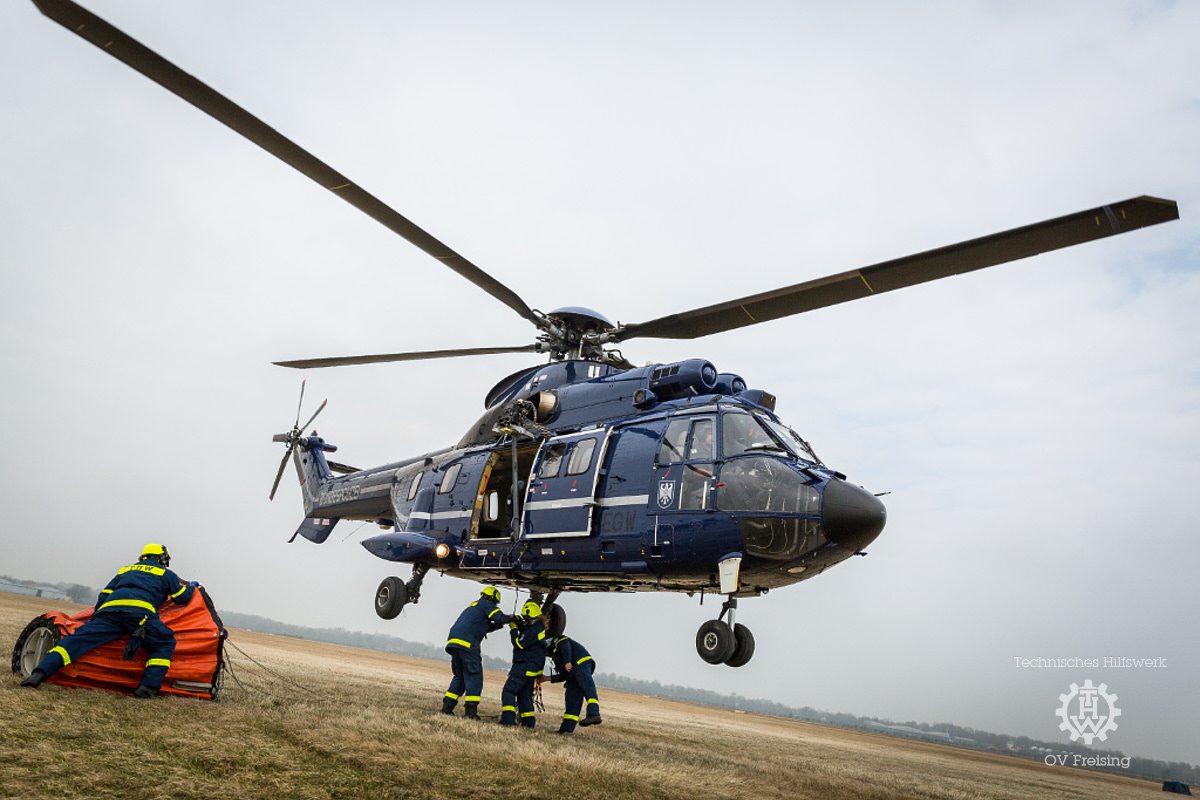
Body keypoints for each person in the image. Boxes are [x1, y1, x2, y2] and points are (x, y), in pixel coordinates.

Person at [21, 543, 195, 698]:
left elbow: (104, 594)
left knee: (76, 641)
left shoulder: (125, 570)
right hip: (140, 615)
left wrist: (97, 617)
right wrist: (191, 587)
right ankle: (148, 688)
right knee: (164, 642)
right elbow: (182, 598)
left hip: (110, 612)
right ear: (162, 558)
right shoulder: (166, 573)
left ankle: (39, 673)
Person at [442, 586, 512, 718]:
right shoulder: (487, 604)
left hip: (454, 643)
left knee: (460, 676)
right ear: (493, 598)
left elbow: (482, 626)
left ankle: (447, 707)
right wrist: (511, 618)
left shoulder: (474, 606)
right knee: (474, 677)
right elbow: (498, 617)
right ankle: (471, 712)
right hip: (468, 644)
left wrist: (497, 626)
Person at [499, 600, 549, 728]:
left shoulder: (534, 630)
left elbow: (519, 643)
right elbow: (527, 635)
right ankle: (528, 723)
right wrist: (520, 625)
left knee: (508, 691)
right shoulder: (537, 628)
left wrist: (514, 629)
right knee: (524, 696)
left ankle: (508, 720)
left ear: (532, 617)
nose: (525, 620)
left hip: (523, 667)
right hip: (531, 670)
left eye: (526, 618)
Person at [541, 634, 602, 733]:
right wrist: (546, 678)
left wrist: (567, 661)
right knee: (572, 700)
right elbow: (564, 675)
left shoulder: (557, 639)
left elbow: (565, 644)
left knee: (587, 688)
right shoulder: (556, 655)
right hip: (572, 674)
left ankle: (594, 714)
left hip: (581, 663)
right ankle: (566, 729)